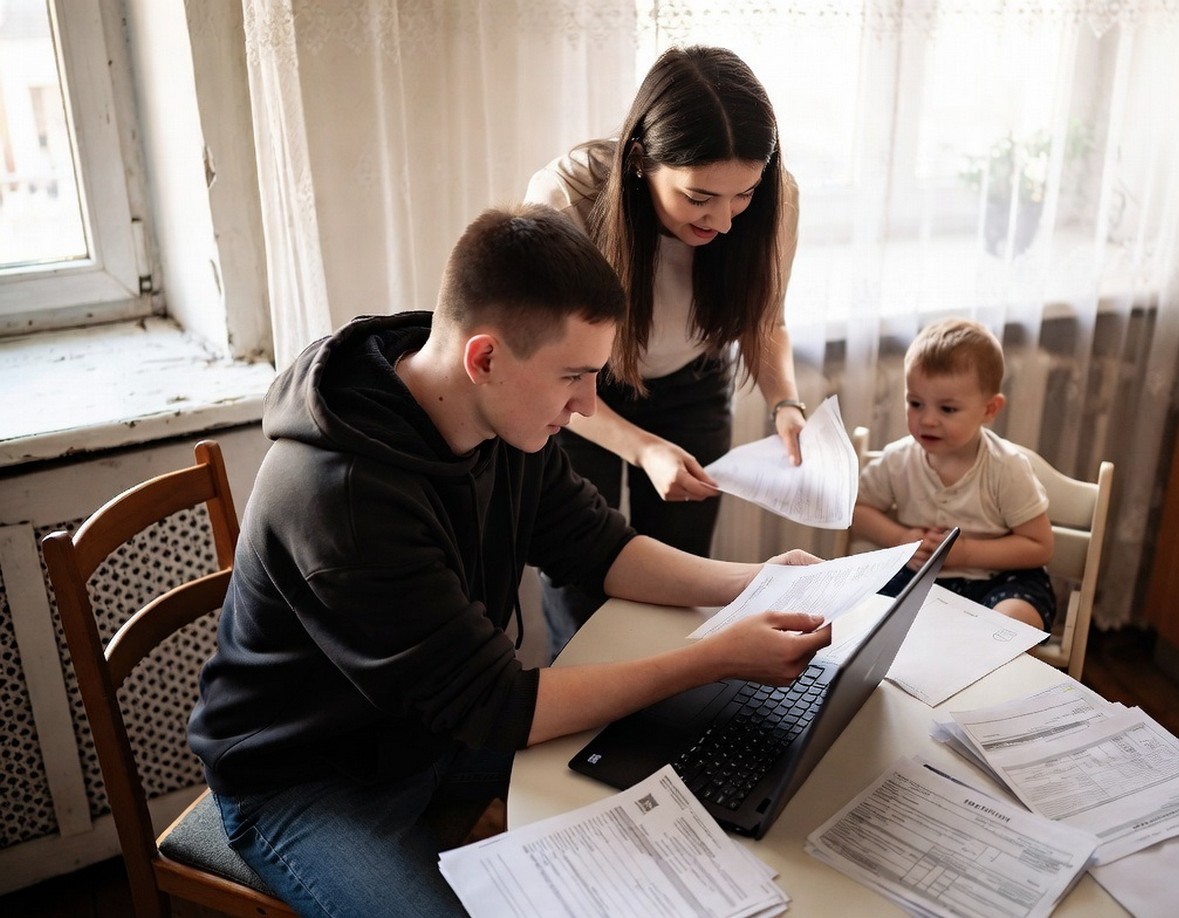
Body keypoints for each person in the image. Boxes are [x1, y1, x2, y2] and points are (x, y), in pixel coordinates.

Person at [187, 204, 830, 918]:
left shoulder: (498, 415)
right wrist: (713, 655)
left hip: (431, 733)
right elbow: (500, 707)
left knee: (688, 747)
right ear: (485, 358)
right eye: (574, 377)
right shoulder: (341, 500)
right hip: (308, 778)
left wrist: (760, 580)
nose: (588, 405)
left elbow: (599, 547)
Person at [525, 45, 806, 657]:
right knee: (579, 576)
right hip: (576, 390)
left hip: (693, 382)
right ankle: (582, 715)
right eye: (699, 197)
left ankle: (663, 708)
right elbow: (544, 372)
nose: (725, 221)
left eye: (743, 195)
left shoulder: (773, 203)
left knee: (680, 575)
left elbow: (764, 321)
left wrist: (787, 403)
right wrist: (643, 447)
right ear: (638, 161)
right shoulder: (565, 200)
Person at [849, 317, 1056, 632]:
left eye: (947, 409)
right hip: (920, 577)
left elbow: (1039, 546)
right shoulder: (899, 460)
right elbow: (857, 509)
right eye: (915, 403)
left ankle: (986, 671)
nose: (927, 420)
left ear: (989, 410)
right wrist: (901, 539)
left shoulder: (1006, 468)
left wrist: (967, 553)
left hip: (998, 579)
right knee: (863, 612)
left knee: (1015, 617)